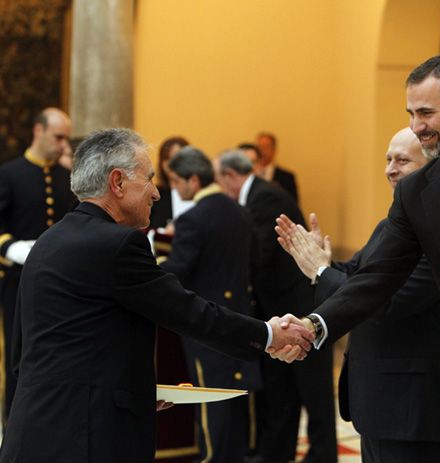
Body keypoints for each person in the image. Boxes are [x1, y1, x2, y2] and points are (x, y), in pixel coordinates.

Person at [275, 54, 440, 463]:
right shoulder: (416, 192)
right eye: (411, 113)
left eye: (425, 112)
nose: (416, 126)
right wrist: (317, 325)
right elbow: (378, 278)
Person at [0, 128, 313, 463]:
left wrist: (128, 389)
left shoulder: (48, 241)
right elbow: (187, 311)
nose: (156, 193)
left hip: (35, 430)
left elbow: (32, 348)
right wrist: (268, 335)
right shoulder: (118, 244)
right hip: (88, 437)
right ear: (117, 182)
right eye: (148, 178)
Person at [276, 128, 440, 462]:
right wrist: (322, 262)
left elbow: (385, 302)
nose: (390, 169)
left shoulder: (437, 230)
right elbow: (357, 276)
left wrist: (322, 271)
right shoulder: (391, 225)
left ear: (431, 169)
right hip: (379, 400)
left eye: (402, 160)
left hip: (409, 406)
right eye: (387, 159)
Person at [215, 150, 337, 463]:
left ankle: (322, 456)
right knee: (281, 392)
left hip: (301, 309)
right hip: (277, 309)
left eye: (218, 178)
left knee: (314, 392)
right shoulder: (256, 196)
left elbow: (260, 255)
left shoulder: (265, 198)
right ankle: (275, 454)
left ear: (230, 176)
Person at [161, 146, 262, 462]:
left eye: (177, 181)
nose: (175, 188)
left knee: (208, 399)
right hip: (240, 320)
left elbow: (179, 269)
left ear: (193, 179)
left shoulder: (193, 218)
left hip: (206, 323)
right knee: (236, 400)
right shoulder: (240, 211)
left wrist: (153, 263)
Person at [0, 107, 76, 421]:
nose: (63, 145)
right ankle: (15, 423)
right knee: (18, 355)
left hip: (60, 282)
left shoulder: (67, 178)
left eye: (66, 138)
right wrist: (10, 246)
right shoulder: (10, 174)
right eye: (59, 137)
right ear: (38, 131)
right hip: (17, 281)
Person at [149, 135, 192, 229]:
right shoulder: (155, 195)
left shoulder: (198, 194)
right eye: (167, 158)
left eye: (177, 158)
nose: (171, 164)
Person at [255, 132, 299, 201]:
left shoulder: (287, 177)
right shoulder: (248, 174)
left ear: (274, 150)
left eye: (266, 147)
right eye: (259, 147)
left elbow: (293, 204)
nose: (262, 151)